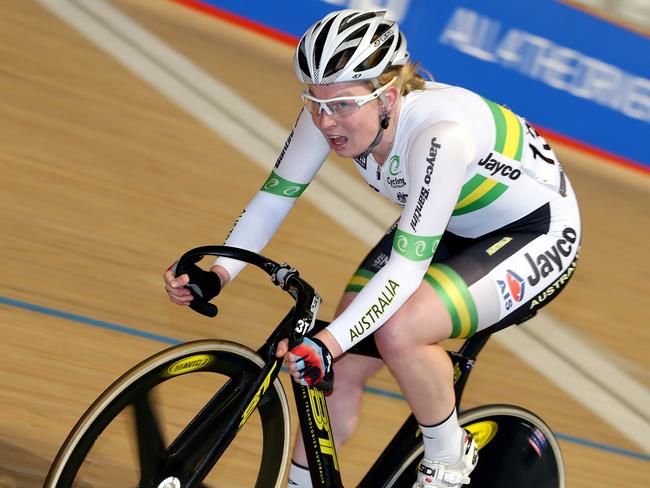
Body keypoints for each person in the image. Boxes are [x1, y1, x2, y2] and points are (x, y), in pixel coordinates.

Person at [164, 9, 581, 488]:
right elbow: (274, 197)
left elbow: (404, 272)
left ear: (387, 94)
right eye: (315, 101)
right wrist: (219, 273)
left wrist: (328, 341)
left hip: (535, 232)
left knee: (399, 330)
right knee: (337, 363)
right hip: (450, 220)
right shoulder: (333, 109)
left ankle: (447, 458)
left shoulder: (438, 136)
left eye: (341, 105)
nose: (325, 120)